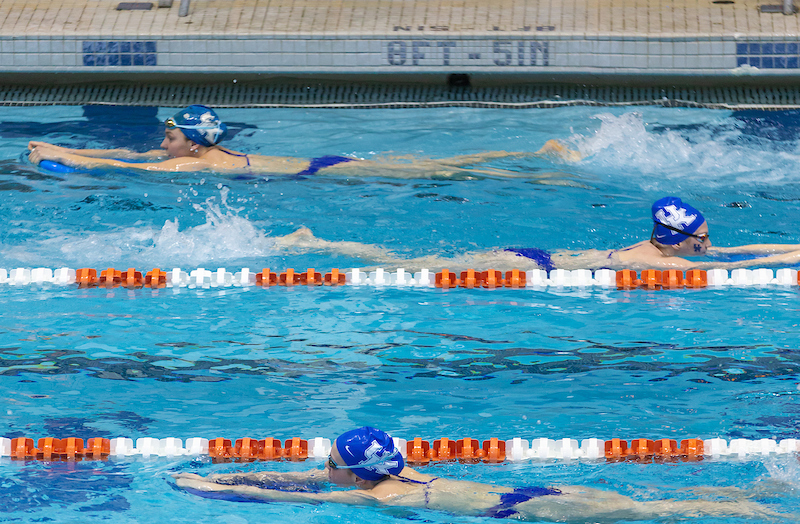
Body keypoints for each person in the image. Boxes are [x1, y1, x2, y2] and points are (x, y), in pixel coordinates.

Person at [173, 426, 794, 524]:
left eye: (331, 461)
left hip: (528, 512)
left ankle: (764, 509)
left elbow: (301, 499)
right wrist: (226, 474)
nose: (321, 468)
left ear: (355, 473)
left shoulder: (378, 502)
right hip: (534, 493)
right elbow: (312, 480)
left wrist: (212, 487)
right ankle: (762, 491)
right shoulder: (401, 473)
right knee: (647, 500)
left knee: (656, 513)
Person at [263, 195, 800, 273]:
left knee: (412, 258)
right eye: (704, 236)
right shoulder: (659, 264)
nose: (711, 241)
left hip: (539, 256)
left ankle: (319, 241)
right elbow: (731, 268)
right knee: (407, 267)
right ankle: (315, 245)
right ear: (683, 240)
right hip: (527, 265)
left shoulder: (664, 248)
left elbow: (745, 250)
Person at [27, 104, 549, 181]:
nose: (160, 140)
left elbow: (132, 170)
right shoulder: (200, 153)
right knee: (439, 164)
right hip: (320, 165)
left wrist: (59, 153)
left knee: (439, 170)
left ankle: (536, 166)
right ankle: (530, 159)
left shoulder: (195, 168)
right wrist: (62, 153)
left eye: (168, 134)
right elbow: (124, 155)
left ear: (189, 143)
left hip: (323, 172)